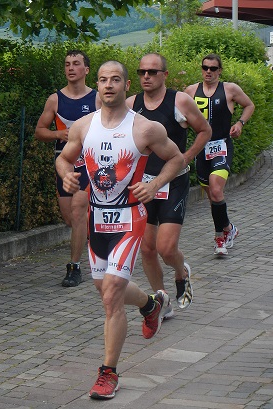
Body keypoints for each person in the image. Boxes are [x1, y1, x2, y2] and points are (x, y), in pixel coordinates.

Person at [56, 60, 184, 399]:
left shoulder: (145, 128)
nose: (108, 85)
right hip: (97, 221)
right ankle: (149, 305)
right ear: (96, 86)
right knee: (106, 290)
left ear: (127, 86)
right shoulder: (83, 126)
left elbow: (177, 158)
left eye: (115, 80)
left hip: (129, 219)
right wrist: (67, 172)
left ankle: (108, 373)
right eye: (102, 80)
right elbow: (65, 158)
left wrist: (154, 182)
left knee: (111, 295)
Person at [126, 53, 211, 313]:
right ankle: (161, 301)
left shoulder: (180, 101)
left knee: (166, 248)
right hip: (143, 186)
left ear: (164, 74)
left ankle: (180, 269)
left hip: (173, 182)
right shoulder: (131, 104)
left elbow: (205, 130)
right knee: (148, 249)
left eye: (152, 72)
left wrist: (185, 157)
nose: (146, 76)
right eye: (142, 72)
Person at [35, 50, 101, 287]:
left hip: (90, 164)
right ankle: (98, 238)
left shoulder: (97, 98)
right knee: (70, 217)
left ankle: (74, 267)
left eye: (76, 64)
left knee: (78, 209)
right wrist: (57, 133)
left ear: (86, 70)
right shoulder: (55, 100)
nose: (71, 68)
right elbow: (39, 131)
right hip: (64, 163)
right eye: (67, 64)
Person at [185, 53, 255, 255]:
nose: (208, 71)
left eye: (213, 68)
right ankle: (228, 230)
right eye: (205, 67)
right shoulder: (191, 91)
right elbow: (179, 113)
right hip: (200, 148)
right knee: (213, 198)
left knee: (216, 190)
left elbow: (249, 105)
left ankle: (219, 239)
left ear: (219, 71)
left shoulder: (230, 89)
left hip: (222, 145)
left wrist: (240, 123)